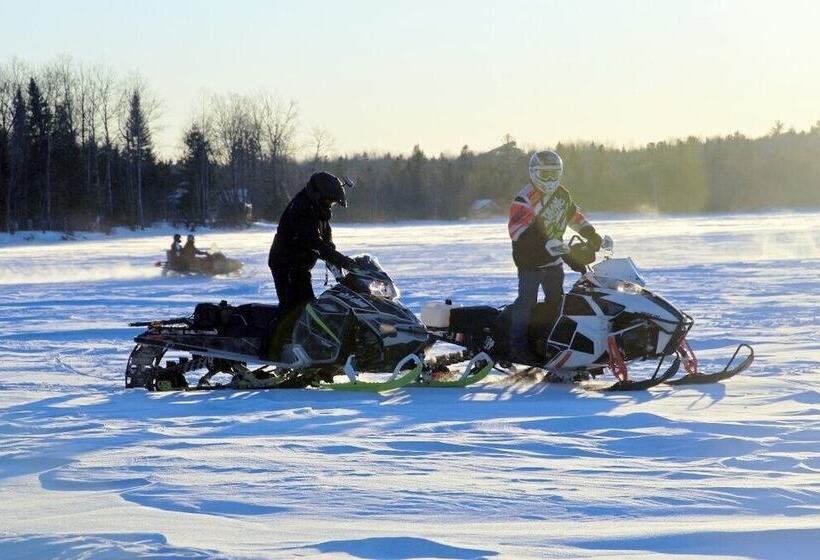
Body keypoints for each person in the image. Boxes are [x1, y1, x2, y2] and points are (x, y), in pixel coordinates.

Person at [507, 150, 605, 364]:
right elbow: (516, 231)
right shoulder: (524, 199)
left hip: (554, 260)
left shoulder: (562, 195)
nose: (550, 179)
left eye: (554, 174)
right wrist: (543, 242)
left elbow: (574, 217)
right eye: (545, 174)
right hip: (529, 262)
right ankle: (518, 347)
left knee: (556, 303)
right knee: (526, 303)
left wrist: (591, 234)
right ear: (534, 173)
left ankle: (549, 344)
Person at [268, 171, 357, 313]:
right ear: (318, 195)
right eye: (329, 200)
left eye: (332, 202)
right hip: (285, 264)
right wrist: (342, 261)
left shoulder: (319, 212)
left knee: (307, 307)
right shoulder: (302, 208)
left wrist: (343, 271)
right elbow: (314, 242)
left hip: (300, 266)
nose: (330, 205)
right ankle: (278, 333)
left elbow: (327, 244)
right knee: (293, 310)